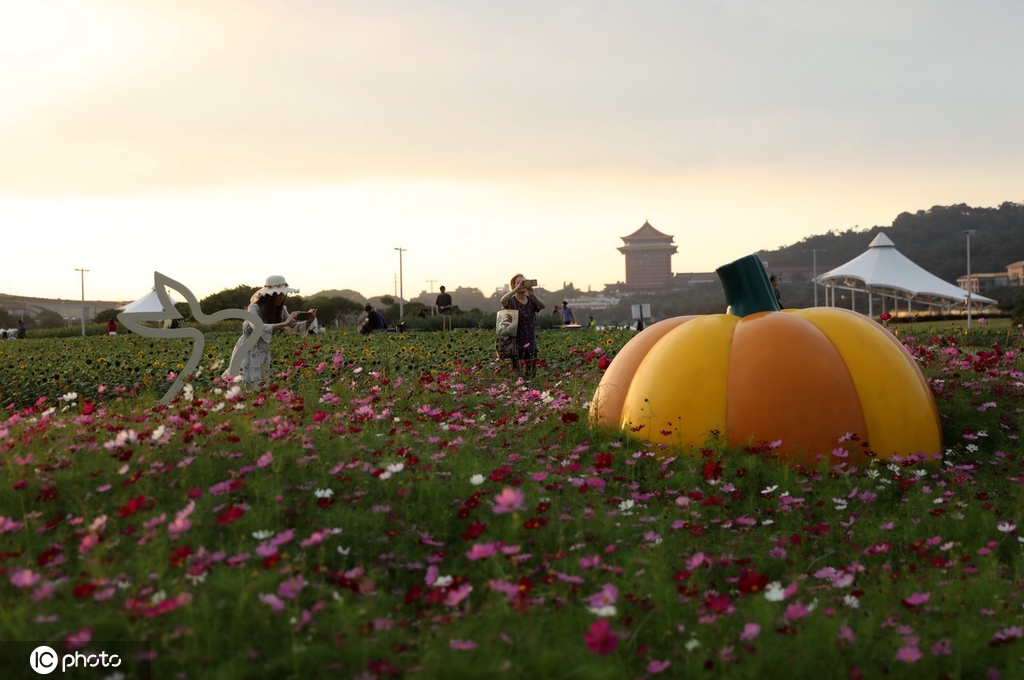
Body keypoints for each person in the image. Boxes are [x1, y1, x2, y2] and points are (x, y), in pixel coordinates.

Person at [223, 275, 317, 386]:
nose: (282, 297)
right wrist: (284, 323)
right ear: (269, 295)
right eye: (278, 294)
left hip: (263, 350)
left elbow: (294, 326)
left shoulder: (281, 309)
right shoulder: (254, 308)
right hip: (247, 348)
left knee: (260, 382)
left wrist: (309, 321)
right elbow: (257, 327)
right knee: (242, 381)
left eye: (283, 293)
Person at [499, 274, 546, 379]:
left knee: (531, 374)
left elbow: (542, 306)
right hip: (516, 343)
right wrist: (517, 289)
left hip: (531, 342)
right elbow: (503, 300)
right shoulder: (512, 301)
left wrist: (532, 294)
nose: (522, 284)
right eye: (519, 282)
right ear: (513, 286)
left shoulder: (530, 301)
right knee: (517, 374)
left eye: (524, 282)